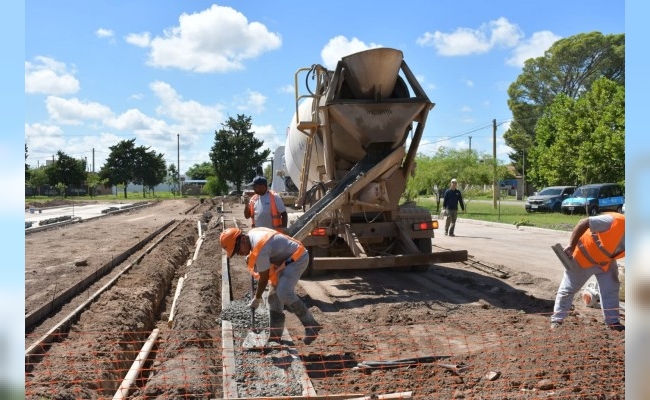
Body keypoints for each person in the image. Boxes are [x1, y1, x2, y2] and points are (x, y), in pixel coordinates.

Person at [219, 226, 322, 345]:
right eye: (236, 253)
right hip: (283, 262)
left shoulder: (260, 249)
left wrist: (256, 299)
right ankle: (275, 336)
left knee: (284, 292)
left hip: (297, 259)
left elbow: (263, 279)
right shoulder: (252, 234)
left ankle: (311, 325)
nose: (239, 254)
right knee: (273, 297)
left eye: (238, 250)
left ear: (242, 239)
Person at [550, 212, 625, 331]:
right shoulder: (616, 221)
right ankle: (557, 320)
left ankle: (613, 322)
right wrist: (571, 245)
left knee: (611, 288)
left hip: (605, 262)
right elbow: (584, 222)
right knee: (569, 288)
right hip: (583, 257)